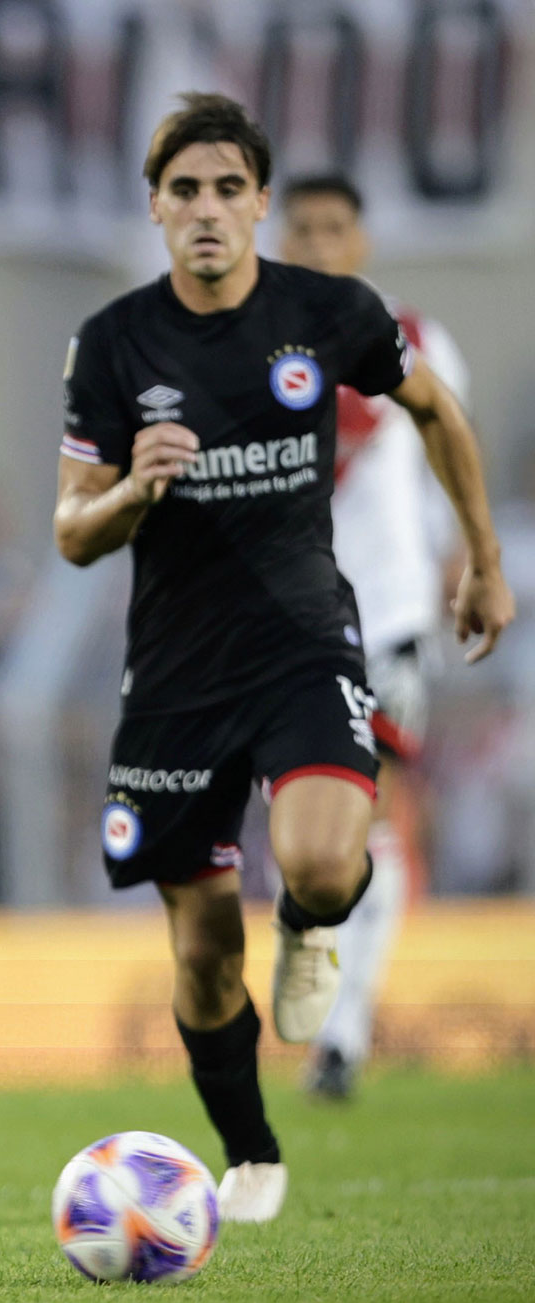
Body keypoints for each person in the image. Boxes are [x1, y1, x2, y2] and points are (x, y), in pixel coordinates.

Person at [53, 94, 511, 1225]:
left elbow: (438, 411)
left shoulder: (331, 311)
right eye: (184, 192)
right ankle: (249, 1148)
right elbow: (70, 531)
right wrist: (133, 488)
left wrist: (484, 562)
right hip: (172, 672)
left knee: (318, 862)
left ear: (259, 204)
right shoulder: (114, 342)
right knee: (204, 948)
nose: (206, 211)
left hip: (306, 639)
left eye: (227, 190)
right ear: (155, 207)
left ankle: (315, 930)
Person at [277, 174, 469, 1102]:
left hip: (384, 615)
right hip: (273, 619)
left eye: (334, 228)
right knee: (307, 839)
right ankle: (314, 966)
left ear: (362, 241)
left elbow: (445, 454)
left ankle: (343, 1038)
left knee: (376, 815)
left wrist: (467, 560)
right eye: (301, 227)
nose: (317, 243)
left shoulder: (417, 340)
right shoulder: (246, 340)